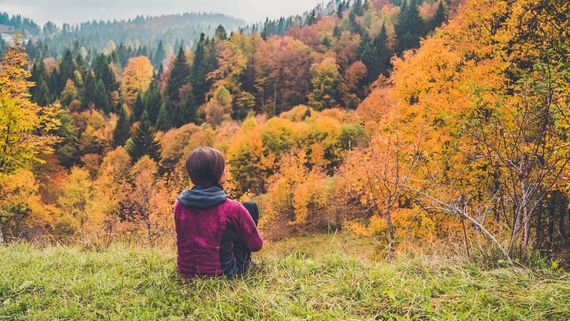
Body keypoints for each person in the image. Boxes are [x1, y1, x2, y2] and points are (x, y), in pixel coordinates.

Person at [174, 147, 263, 278]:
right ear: (218, 174)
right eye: (223, 168)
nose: (225, 171)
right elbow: (256, 245)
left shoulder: (179, 204)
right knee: (250, 207)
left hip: (185, 272)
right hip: (224, 273)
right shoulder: (232, 207)